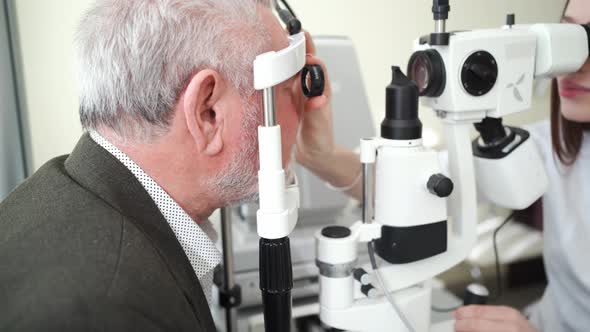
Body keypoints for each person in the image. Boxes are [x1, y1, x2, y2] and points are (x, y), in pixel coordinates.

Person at [0, 0, 331, 330]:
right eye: (289, 88)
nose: (304, 107)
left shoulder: (63, 196)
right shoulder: (108, 310)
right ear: (207, 113)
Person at [296, 1, 590, 331]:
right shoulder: (553, 144)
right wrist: (321, 155)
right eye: (572, 37)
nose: (578, 64)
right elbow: (410, 188)